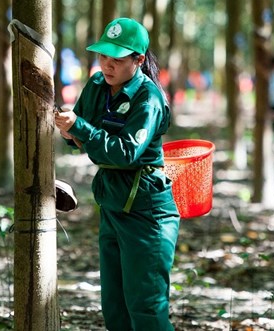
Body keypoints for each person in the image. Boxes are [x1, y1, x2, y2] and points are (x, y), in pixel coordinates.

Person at [54, 17, 180, 331]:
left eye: (117, 59)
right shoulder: (98, 85)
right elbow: (78, 135)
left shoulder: (148, 98)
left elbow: (125, 153)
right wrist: (70, 131)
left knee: (147, 307)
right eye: (103, 57)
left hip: (146, 209)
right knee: (115, 306)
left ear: (138, 60)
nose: (108, 65)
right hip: (112, 201)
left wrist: (79, 128)